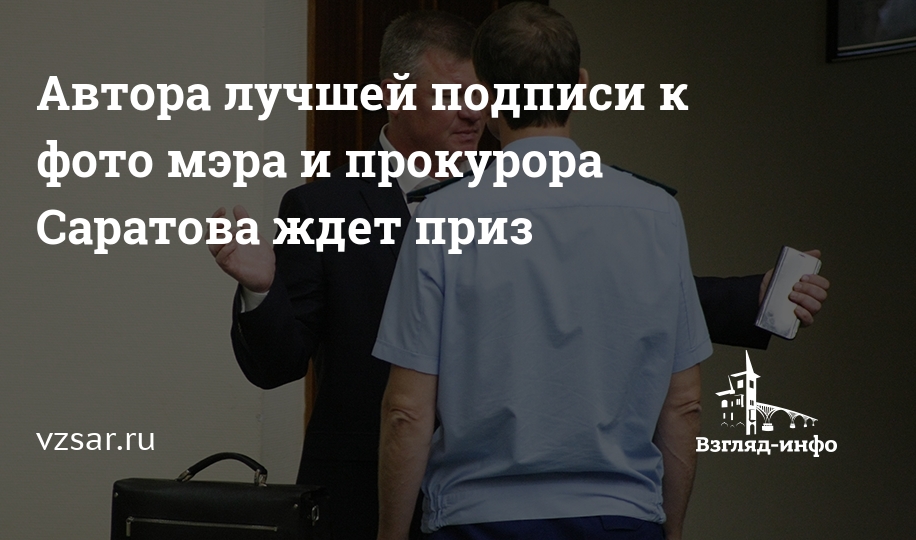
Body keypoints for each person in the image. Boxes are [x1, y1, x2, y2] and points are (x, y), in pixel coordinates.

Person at [209, 9, 829, 540]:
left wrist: (751, 297)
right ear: (393, 96)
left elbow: (604, 290)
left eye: (480, 95)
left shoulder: (509, 190)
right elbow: (277, 365)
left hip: (486, 502)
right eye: (451, 96)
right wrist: (261, 289)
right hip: (369, 502)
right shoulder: (322, 206)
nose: (472, 115)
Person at [372, 4, 786, 539]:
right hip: (621, 517)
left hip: (478, 520)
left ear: (488, 96)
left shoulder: (442, 215)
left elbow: (406, 412)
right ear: (581, 87)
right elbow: (684, 404)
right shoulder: (656, 212)